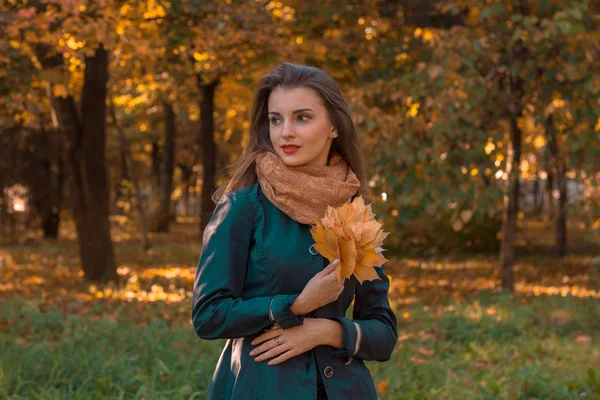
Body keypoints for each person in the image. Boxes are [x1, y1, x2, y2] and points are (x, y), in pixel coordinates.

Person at [192, 62, 398, 400]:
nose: (285, 132)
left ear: (333, 126)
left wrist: (327, 331)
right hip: (263, 389)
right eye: (276, 119)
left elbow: (384, 333)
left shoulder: (352, 212)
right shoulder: (243, 208)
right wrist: (296, 305)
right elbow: (208, 315)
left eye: (302, 118)